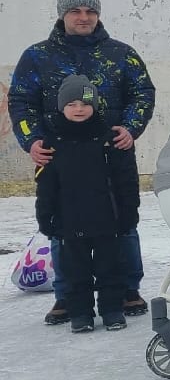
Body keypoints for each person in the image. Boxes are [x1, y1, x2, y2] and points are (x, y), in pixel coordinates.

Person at [8, 0, 156, 325]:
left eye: (90, 10)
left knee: (122, 219)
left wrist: (131, 129)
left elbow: (142, 93)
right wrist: (32, 141)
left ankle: (127, 288)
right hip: (59, 157)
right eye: (75, 11)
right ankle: (67, 295)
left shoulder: (121, 54)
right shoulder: (37, 57)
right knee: (62, 224)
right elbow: (21, 101)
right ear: (62, 15)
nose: (83, 17)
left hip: (111, 153)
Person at [34, 76, 139, 332]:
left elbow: (126, 180)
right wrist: (45, 216)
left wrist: (128, 213)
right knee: (75, 272)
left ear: (95, 106)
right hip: (69, 221)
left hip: (106, 219)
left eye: (84, 103)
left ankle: (112, 310)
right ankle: (80, 313)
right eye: (71, 103)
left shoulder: (109, 139)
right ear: (61, 107)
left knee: (110, 268)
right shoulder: (52, 144)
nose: (79, 108)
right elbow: (45, 186)